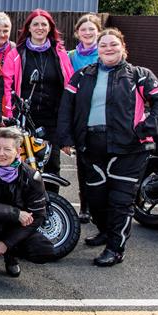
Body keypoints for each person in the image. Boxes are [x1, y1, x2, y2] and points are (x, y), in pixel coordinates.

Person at [58, 29, 158, 267]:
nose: (108, 48)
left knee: (120, 200)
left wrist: (146, 128)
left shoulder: (140, 75)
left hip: (129, 148)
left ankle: (115, 248)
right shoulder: (81, 76)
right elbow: (66, 108)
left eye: (113, 44)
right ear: (98, 49)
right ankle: (105, 231)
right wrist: (65, 138)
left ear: (123, 48)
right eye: (104, 45)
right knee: (96, 197)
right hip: (91, 145)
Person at [0, 126, 56, 285]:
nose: (1, 154)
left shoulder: (31, 175)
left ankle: (11, 255)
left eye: (7, 149)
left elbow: (38, 215)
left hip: (15, 226)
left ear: (18, 150)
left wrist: (7, 243)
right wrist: (15, 213)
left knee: (44, 250)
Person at [2, 9, 74, 193]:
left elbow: (70, 82)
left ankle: (51, 206)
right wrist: (10, 114)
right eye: (36, 24)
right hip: (25, 118)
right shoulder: (17, 53)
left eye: (44, 24)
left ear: (50, 28)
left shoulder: (59, 53)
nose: (40, 28)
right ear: (28, 28)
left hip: (53, 119)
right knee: (23, 163)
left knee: (51, 164)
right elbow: (6, 84)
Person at [67, 13, 103, 223]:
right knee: (84, 163)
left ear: (98, 31)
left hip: (101, 113)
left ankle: (102, 207)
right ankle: (85, 206)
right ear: (77, 33)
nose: (88, 33)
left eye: (92, 29)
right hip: (80, 114)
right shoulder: (71, 56)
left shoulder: (107, 51)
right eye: (83, 29)